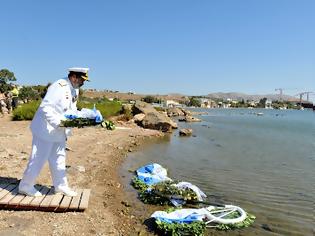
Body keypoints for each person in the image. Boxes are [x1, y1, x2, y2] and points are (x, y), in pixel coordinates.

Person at [18, 67, 90, 197]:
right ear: (74, 77)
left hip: (60, 131)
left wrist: (83, 117)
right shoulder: (59, 86)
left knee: (59, 159)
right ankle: (25, 186)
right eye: (81, 80)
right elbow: (46, 107)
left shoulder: (75, 89)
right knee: (38, 158)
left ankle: (61, 186)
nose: (82, 83)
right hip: (46, 129)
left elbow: (70, 110)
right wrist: (57, 123)